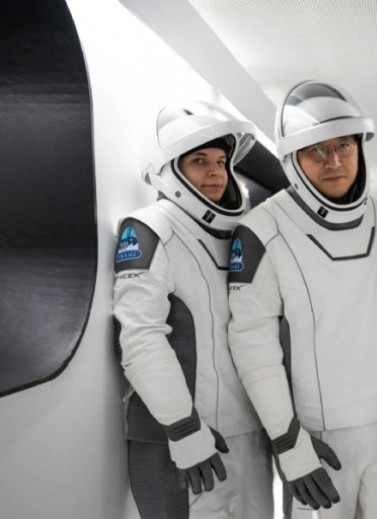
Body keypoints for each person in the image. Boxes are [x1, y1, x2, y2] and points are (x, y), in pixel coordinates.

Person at [227, 80, 377, 519]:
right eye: (316, 150)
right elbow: (253, 345)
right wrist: (287, 439)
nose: (333, 161)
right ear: (291, 159)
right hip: (316, 436)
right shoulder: (261, 230)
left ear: (360, 149)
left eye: (343, 146)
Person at [113, 101, 274, 519]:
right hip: (179, 438)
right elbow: (141, 337)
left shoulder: (240, 235)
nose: (216, 172)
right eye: (200, 161)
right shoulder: (150, 228)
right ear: (171, 170)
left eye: (221, 161)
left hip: (249, 434)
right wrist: (183, 426)